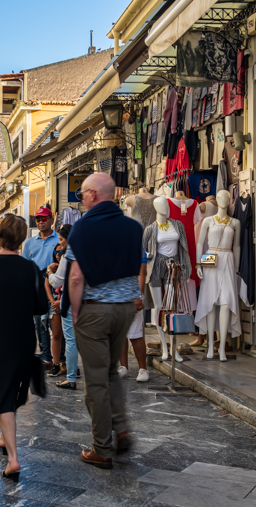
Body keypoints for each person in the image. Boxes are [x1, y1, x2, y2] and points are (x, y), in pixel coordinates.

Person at [65, 173, 143, 468]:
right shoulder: (133, 228)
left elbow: (75, 276)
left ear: (94, 195)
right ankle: (121, 428)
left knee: (95, 381)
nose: (81, 198)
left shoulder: (82, 228)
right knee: (110, 370)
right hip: (124, 308)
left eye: (83, 193)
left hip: (95, 310)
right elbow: (136, 268)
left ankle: (102, 448)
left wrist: (74, 312)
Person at [0, 215, 49, 479]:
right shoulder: (31, 269)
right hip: (23, 338)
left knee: (2, 395)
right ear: (22, 239)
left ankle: (13, 458)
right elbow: (41, 307)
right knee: (13, 389)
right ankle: (4, 438)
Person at [23, 207, 60, 367]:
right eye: (37, 219)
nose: (40, 222)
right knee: (39, 322)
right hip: (37, 286)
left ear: (52, 220)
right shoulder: (29, 243)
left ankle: (61, 358)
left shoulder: (60, 239)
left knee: (58, 325)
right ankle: (46, 356)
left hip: (56, 285)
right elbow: (25, 266)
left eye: (44, 219)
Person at [47, 225, 74, 382]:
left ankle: (71, 378)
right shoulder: (85, 251)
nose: (60, 243)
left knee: (70, 341)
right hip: (85, 301)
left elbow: (57, 282)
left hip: (69, 301)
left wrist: (49, 271)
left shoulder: (68, 255)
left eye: (62, 240)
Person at [119, 252, 151, 383]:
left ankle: (143, 369)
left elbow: (141, 273)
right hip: (115, 294)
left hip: (132, 294)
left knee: (135, 334)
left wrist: (138, 296)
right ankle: (123, 367)